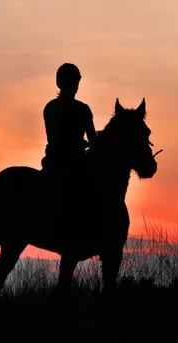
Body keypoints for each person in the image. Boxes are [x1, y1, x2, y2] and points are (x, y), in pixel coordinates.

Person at [40, 63, 98, 234]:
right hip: (72, 162)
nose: (76, 84)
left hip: (54, 161)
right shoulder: (82, 109)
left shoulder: (50, 107)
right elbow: (93, 140)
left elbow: (54, 138)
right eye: (74, 81)